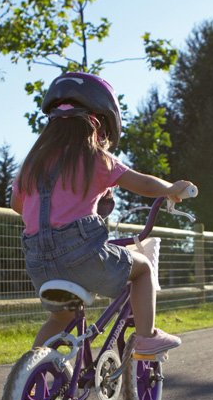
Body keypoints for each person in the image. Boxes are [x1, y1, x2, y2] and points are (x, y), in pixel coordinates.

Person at [11, 71, 195, 359]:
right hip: (83, 256)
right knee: (143, 269)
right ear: (97, 125)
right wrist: (171, 189)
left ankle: (27, 377)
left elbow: (17, 205)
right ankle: (146, 338)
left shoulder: (31, 166)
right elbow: (145, 184)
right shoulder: (95, 158)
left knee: (60, 318)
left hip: (40, 263)